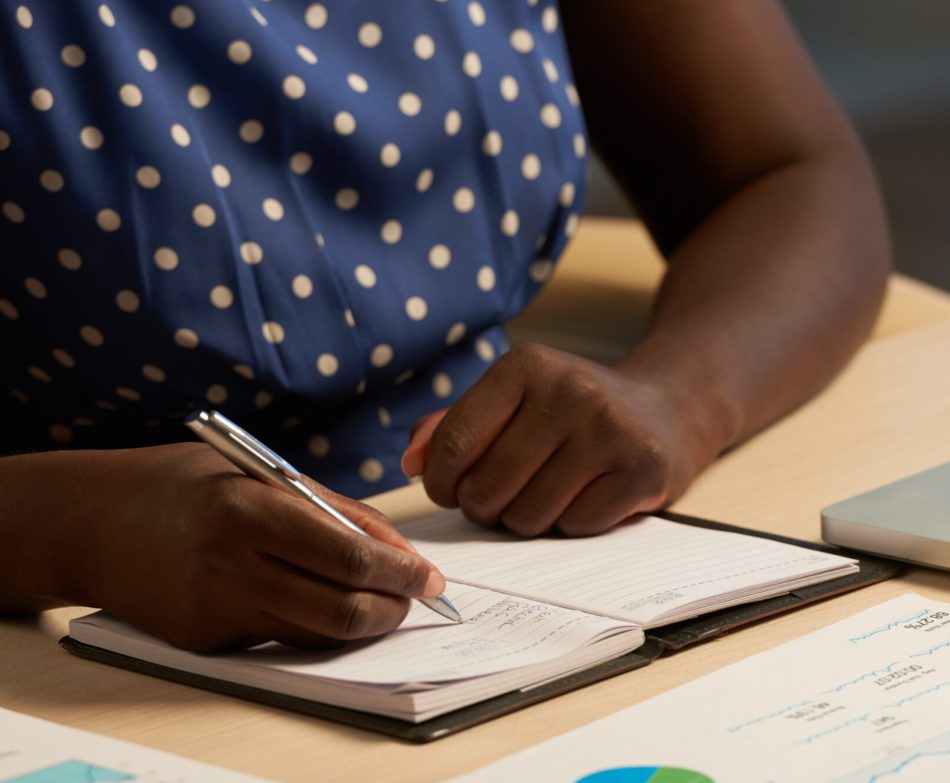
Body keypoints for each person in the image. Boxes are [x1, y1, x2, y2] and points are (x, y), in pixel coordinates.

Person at [0, 1, 889, 651]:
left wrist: (681, 395)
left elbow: (789, 171)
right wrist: (67, 532)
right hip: (61, 641)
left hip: (501, 552)